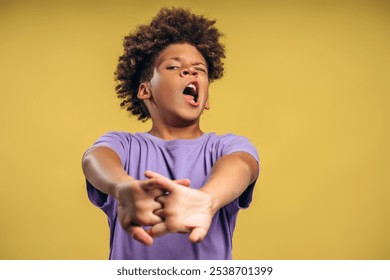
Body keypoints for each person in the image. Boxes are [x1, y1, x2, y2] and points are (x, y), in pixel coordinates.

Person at [82, 7, 260, 260]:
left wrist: (207, 199)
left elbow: (243, 165)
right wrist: (123, 187)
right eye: (174, 66)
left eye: (200, 69)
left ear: (206, 99)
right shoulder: (124, 144)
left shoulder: (226, 146)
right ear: (145, 90)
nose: (191, 72)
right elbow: (95, 159)